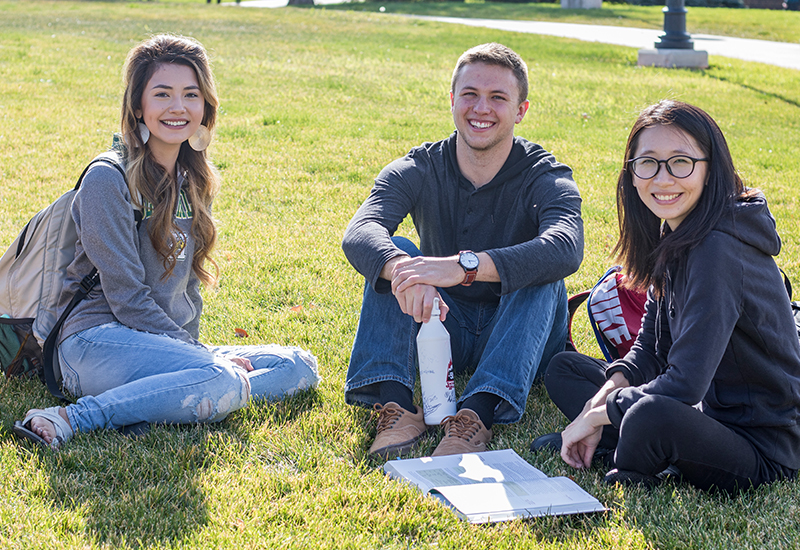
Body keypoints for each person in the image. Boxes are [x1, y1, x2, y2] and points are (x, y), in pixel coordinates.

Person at [13, 34, 319, 449]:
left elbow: (185, 289)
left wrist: (193, 355)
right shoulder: (107, 178)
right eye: (162, 94)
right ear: (138, 105)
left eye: (191, 94)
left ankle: (167, 398)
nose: (178, 107)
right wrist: (203, 358)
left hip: (158, 341)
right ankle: (71, 417)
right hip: (92, 341)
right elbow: (126, 297)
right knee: (220, 376)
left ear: (205, 105)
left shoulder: (191, 179)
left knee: (298, 366)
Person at [531, 100, 800, 493]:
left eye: (680, 162)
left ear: (710, 170)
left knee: (648, 414)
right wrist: (600, 402)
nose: (663, 179)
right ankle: (626, 439)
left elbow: (685, 384)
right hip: (703, 413)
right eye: (649, 163)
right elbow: (650, 351)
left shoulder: (718, 250)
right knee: (565, 370)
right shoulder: (676, 232)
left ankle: (628, 448)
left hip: (763, 446)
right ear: (632, 174)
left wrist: (596, 416)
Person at [341, 43, 584, 458]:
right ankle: (397, 404)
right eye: (470, 94)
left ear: (521, 110)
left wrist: (463, 267)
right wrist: (405, 268)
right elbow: (360, 230)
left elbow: (566, 246)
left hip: (519, 332)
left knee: (541, 272)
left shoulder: (546, 173)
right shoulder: (419, 166)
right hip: (439, 323)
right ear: (453, 100)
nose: (481, 108)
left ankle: (476, 415)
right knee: (396, 252)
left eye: (498, 98)